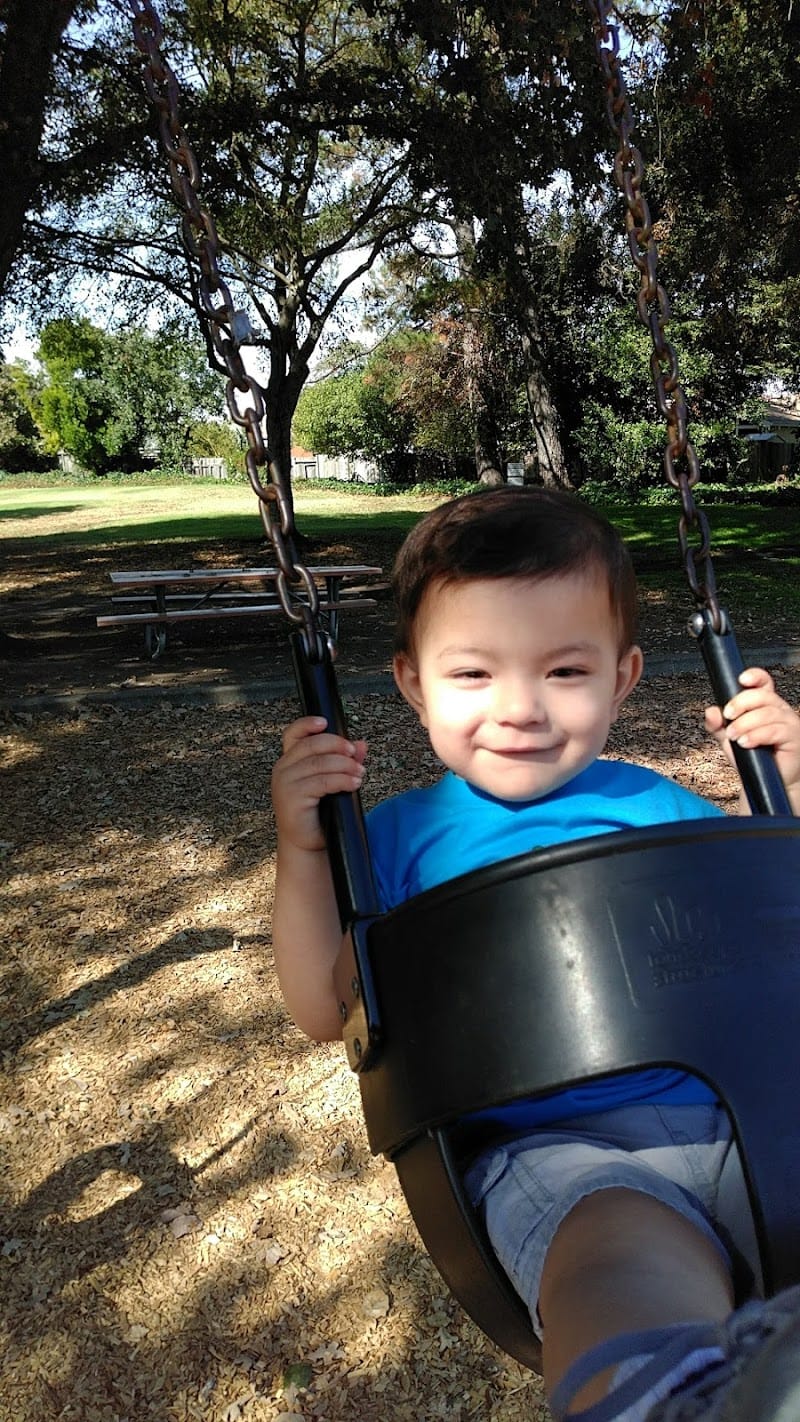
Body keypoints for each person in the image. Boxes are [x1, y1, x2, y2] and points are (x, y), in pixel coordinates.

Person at [270, 487, 800, 1422]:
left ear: (623, 677)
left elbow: (776, 930)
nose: (519, 709)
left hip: (745, 1114)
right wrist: (306, 852)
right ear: (411, 683)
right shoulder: (390, 844)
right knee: (614, 1259)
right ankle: (673, 1400)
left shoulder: (664, 809)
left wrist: (792, 794)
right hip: (558, 1149)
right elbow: (323, 1008)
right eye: (473, 674)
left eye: (564, 671)